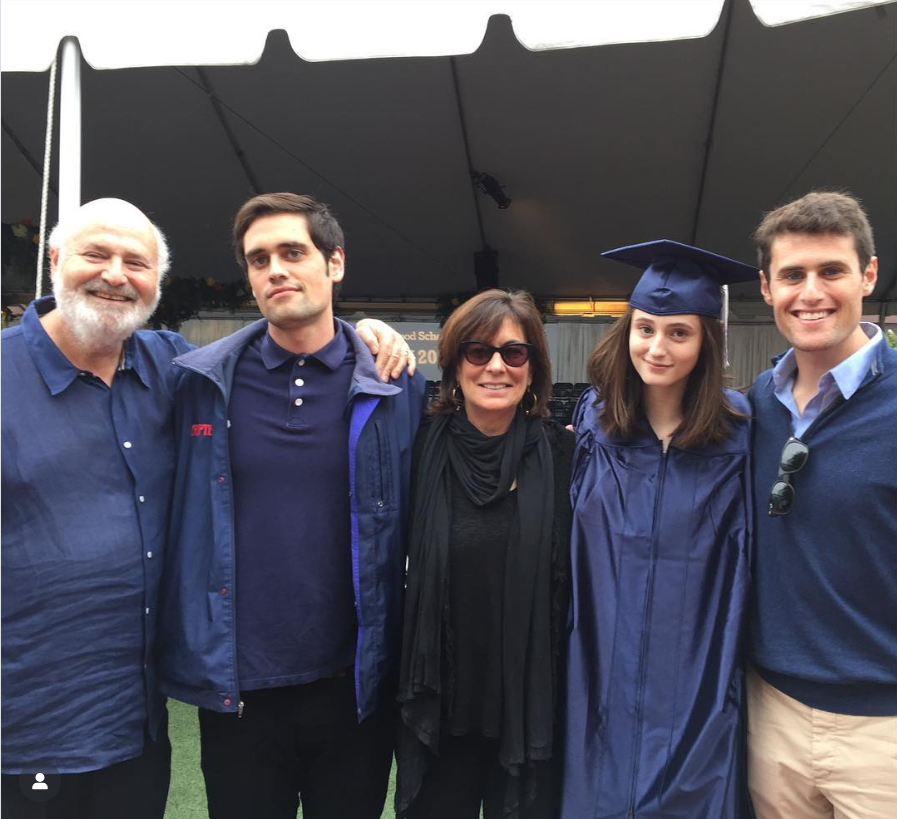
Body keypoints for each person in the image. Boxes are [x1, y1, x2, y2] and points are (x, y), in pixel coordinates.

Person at [156, 192, 427, 819]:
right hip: (240, 690)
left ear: (334, 263)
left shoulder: (394, 382)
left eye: (292, 252)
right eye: (258, 259)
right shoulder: (198, 382)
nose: (274, 268)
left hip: (354, 689)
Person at [1, 198, 186, 818]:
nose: (115, 273)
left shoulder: (172, 367)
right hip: (23, 733)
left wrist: (360, 333)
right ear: (55, 261)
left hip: (137, 728)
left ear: (155, 282)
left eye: (136, 262)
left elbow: (277, 349)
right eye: (96, 253)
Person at [561, 240, 758, 818]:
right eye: (645, 329)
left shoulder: (741, 432)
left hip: (700, 671)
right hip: (599, 667)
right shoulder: (595, 422)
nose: (658, 347)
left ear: (705, 341)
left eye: (679, 332)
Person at [395, 289, 574, 819]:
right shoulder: (418, 447)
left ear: (533, 368)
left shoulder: (565, 455)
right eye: (478, 352)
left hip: (530, 704)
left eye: (514, 353)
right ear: (453, 364)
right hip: (441, 705)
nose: (496, 366)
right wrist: (369, 330)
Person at [747, 191, 897, 819]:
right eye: (792, 275)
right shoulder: (753, 405)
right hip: (770, 713)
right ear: (766, 287)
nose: (811, 292)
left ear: (868, 274)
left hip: (883, 731)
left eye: (831, 271)